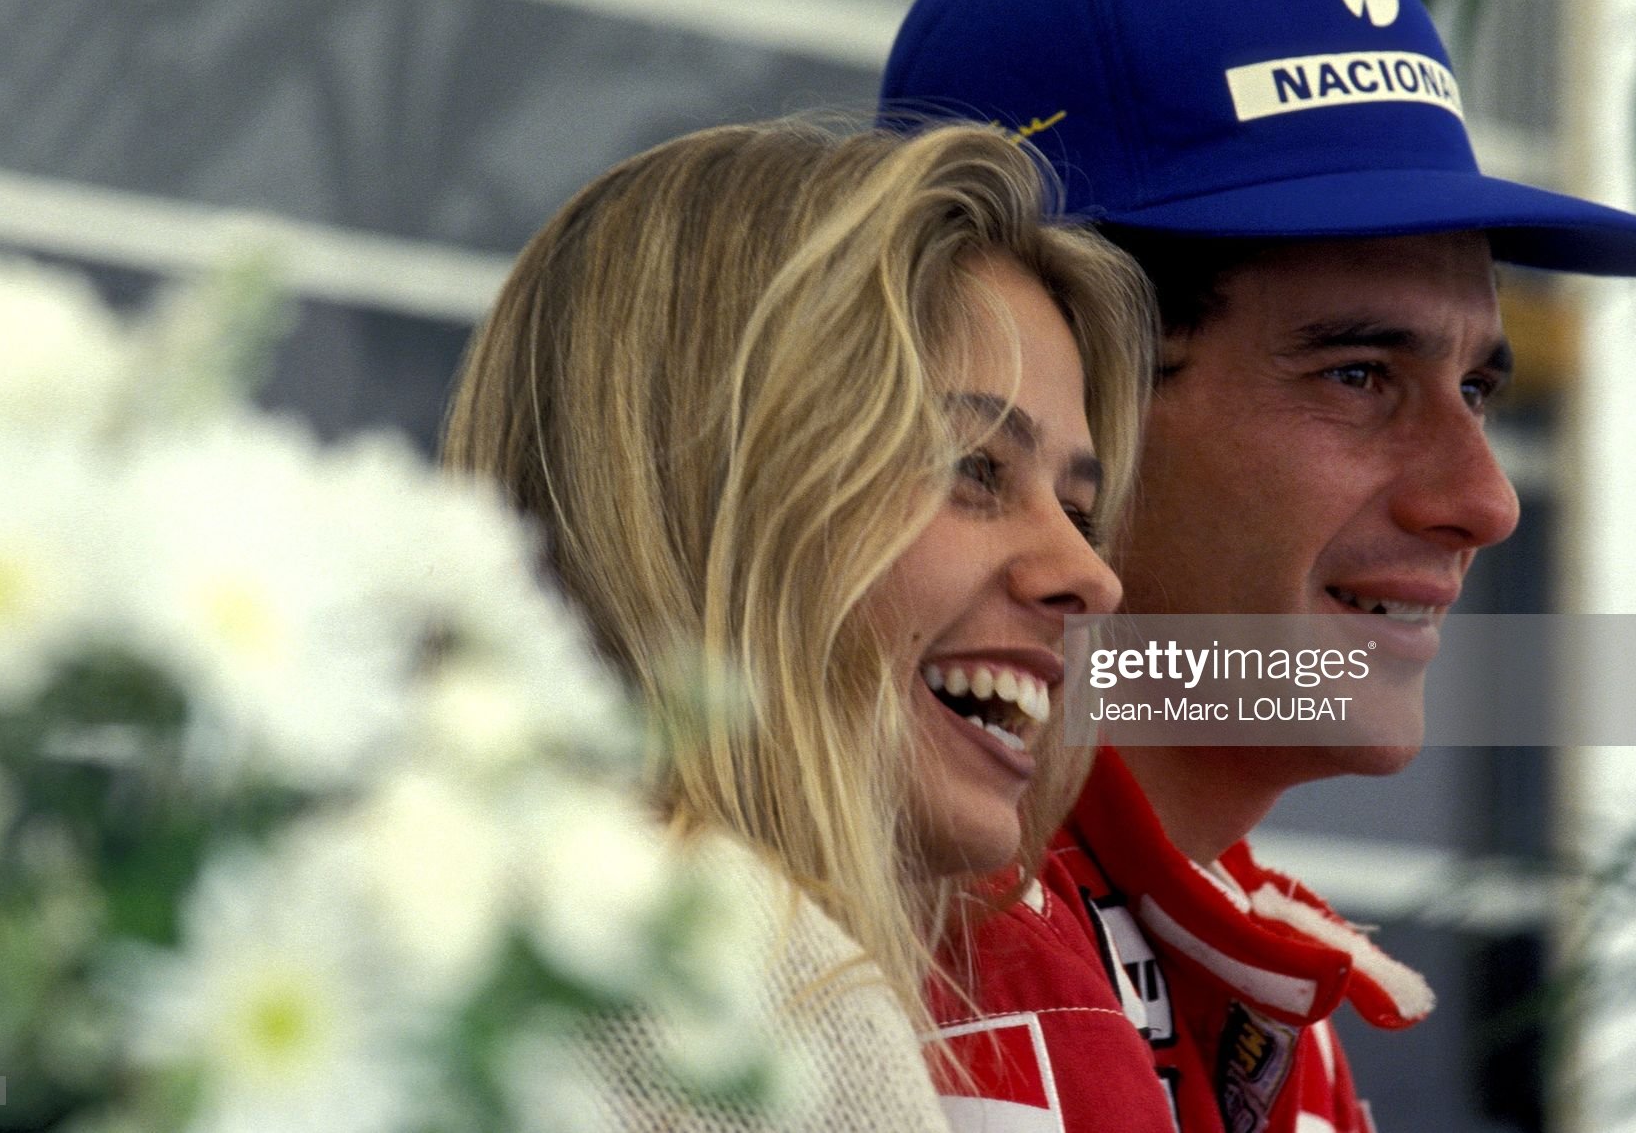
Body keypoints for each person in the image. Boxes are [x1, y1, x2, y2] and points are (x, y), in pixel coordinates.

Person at [881, 0, 1636, 1133]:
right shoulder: (857, 944)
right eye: (1357, 374)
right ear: (1058, 377)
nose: (1480, 501)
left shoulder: (1248, 972)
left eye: (1475, 387)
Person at [442, 119, 1155, 1129]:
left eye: (1079, 510)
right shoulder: (743, 984)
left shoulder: (407, 914)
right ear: (705, 489)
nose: (1091, 575)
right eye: (971, 468)